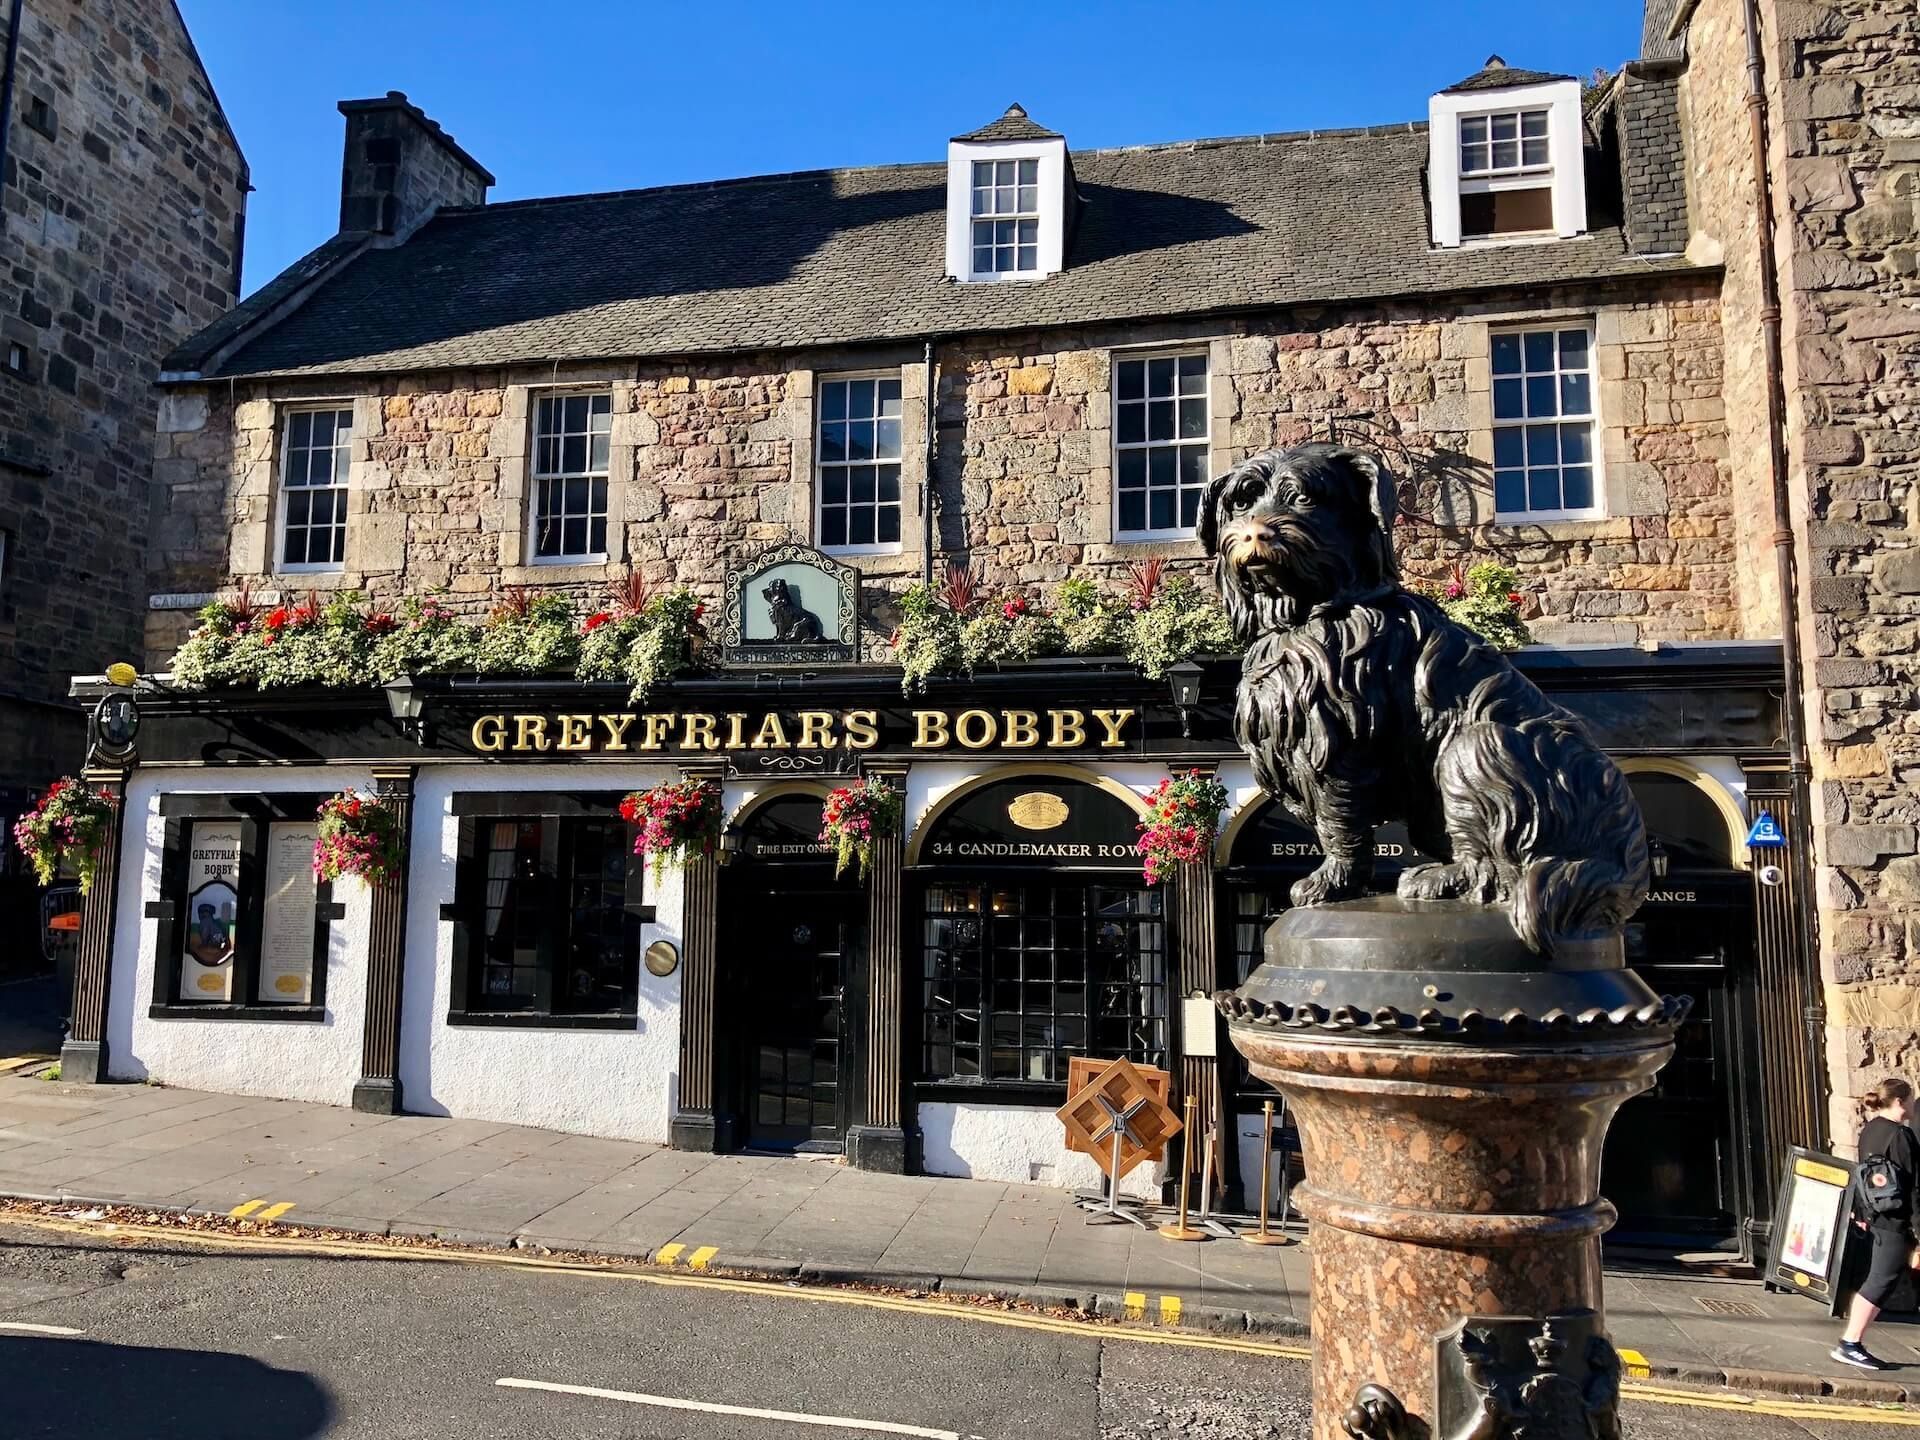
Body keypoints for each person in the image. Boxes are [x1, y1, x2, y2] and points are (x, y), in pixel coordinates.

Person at [1834, 1076, 1919, 1370]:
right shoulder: (1901, 1136)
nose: (1913, 1105)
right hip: (1896, 1221)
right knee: (1881, 1280)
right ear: (1899, 1101)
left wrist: (1861, 1213)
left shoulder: (1871, 1130)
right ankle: (1850, 1342)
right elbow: (1913, 1189)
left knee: (1881, 1278)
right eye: (1910, 1099)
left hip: (1877, 1217)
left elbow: (1863, 1176)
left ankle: (1851, 1342)